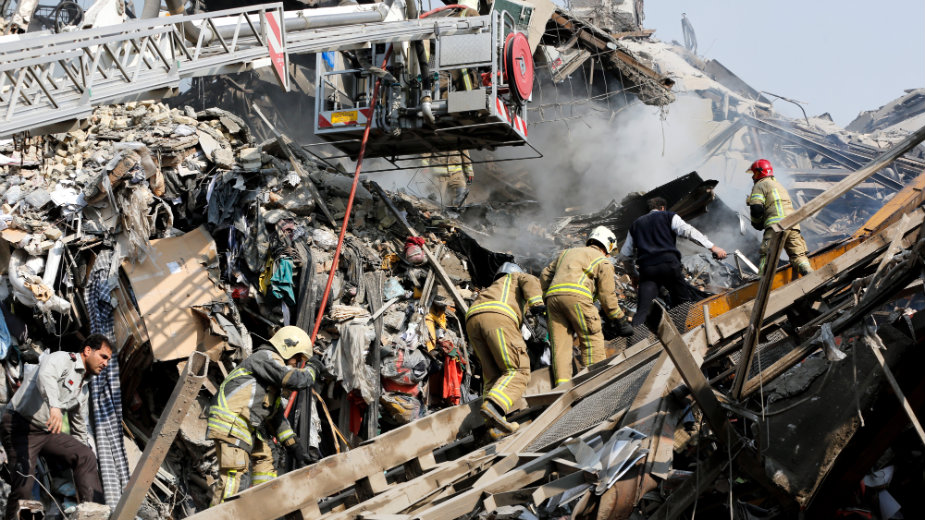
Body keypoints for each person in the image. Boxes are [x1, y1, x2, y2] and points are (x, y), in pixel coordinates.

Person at [206, 326, 322, 505]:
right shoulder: (265, 358)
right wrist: (312, 368)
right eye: (297, 357)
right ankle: (223, 516)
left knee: (267, 458)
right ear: (287, 346)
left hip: (245, 424)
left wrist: (294, 446)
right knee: (234, 479)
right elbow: (294, 380)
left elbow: (275, 417)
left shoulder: (269, 381)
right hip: (232, 422)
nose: (295, 363)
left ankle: (261, 510)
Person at [1, 334, 111, 520]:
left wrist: (79, 461)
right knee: (25, 482)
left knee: (85, 455)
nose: (105, 363)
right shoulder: (62, 359)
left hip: (46, 432)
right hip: (19, 426)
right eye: (103, 357)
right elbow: (45, 376)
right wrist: (55, 406)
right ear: (87, 351)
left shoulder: (83, 387)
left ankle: (92, 512)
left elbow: (78, 428)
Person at [540, 227, 634, 387]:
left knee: (560, 347)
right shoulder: (603, 261)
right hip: (578, 299)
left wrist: (546, 295)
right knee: (592, 338)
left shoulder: (566, 253)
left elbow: (544, 275)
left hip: (553, 300)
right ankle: (595, 385)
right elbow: (607, 296)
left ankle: (562, 388)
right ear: (607, 246)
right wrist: (620, 319)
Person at [620, 197, 727, 328]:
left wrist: (634, 275)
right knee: (683, 301)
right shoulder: (669, 216)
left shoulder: (636, 224)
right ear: (663, 208)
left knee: (643, 309)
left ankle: (636, 343)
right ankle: (681, 332)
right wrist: (713, 247)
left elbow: (625, 255)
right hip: (669, 265)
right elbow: (689, 232)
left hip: (647, 271)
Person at [466, 262, 545, 439]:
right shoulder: (516, 277)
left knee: (493, 376)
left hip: (472, 320)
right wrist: (537, 303)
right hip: (498, 316)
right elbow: (529, 279)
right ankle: (494, 407)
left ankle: (493, 426)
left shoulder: (491, 289)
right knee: (518, 370)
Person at [746, 159, 813, 275]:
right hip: (793, 224)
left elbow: (756, 207)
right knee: (797, 255)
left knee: (766, 256)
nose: (753, 177)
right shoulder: (778, 185)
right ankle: (809, 273)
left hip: (776, 226)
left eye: (754, 174)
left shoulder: (760, 184)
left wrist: (756, 223)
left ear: (759, 173)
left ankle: (761, 281)